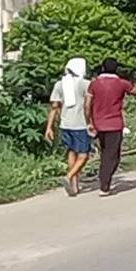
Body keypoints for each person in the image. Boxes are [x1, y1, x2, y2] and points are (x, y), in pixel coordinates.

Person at [86, 58, 136, 195]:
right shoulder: (122, 83)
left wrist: (89, 122)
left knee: (105, 153)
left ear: (103, 68)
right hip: (114, 124)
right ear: (116, 69)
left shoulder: (94, 84)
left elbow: (87, 105)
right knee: (112, 157)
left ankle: (104, 181)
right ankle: (104, 185)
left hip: (99, 124)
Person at [44, 57, 93, 195]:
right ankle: (69, 176)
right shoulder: (85, 84)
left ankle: (74, 186)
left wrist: (49, 127)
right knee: (84, 155)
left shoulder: (59, 84)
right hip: (81, 124)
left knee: (72, 152)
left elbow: (54, 107)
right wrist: (92, 122)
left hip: (65, 124)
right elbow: (89, 105)